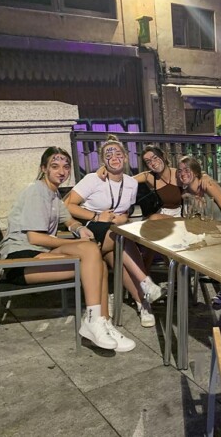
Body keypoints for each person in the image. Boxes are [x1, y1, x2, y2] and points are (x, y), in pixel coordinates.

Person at [0, 147, 135, 351]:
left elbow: (69, 220)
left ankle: (103, 323)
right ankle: (93, 321)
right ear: (43, 168)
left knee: (97, 263)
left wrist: (79, 229)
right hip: (20, 261)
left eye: (66, 167)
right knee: (91, 253)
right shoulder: (36, 191)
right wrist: (77, 244)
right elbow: (34, 237)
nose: (61, 171)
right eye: (55, 166)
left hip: (39, 253)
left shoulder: (53, 192)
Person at [65, 135, 165, 328]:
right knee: (123, 237)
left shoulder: (131, 183)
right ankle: (146, 285)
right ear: (103, 160)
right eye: (109, 155)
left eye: (118, 154)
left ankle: (143, 302)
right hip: (91, 231)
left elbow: (125, 210)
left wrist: (123, 217)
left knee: (118, 256)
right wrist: (96, 216)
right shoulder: (93, 179)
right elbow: (68, 205)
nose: (114, 158)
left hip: (114, 233)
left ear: (125, 157)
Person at [176, 155, 221, 304]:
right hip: (213, 227)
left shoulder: (207, 185)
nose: (182, 173)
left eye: (187, 169)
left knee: (215, 243)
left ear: (196, 171)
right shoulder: (187, 193)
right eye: (180, 170)